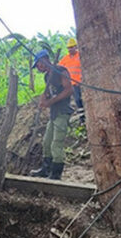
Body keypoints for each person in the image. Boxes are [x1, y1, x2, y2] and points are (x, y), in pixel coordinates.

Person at [30, 50, 73, 180]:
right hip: (54, 113)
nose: (38, 68)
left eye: (38, 64)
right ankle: (45, 169)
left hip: (62, 111)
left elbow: (69, 90)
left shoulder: (60, 71)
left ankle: (56, 173)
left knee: (56, 144)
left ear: (44, 60)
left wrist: (50, 101)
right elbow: (50, 92)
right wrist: (44, 99)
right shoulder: (47, 77)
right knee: (47, 142)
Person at [58, 38, 83, 112]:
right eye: (68, 48)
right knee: (77, 100)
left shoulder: (80, 56)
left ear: (76, 47)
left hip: (81, 82)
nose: (70, 49)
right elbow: (58, 68)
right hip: (72, 84)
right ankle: (82, 118)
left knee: (81, 99)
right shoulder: (65, 59)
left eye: (71, 47)